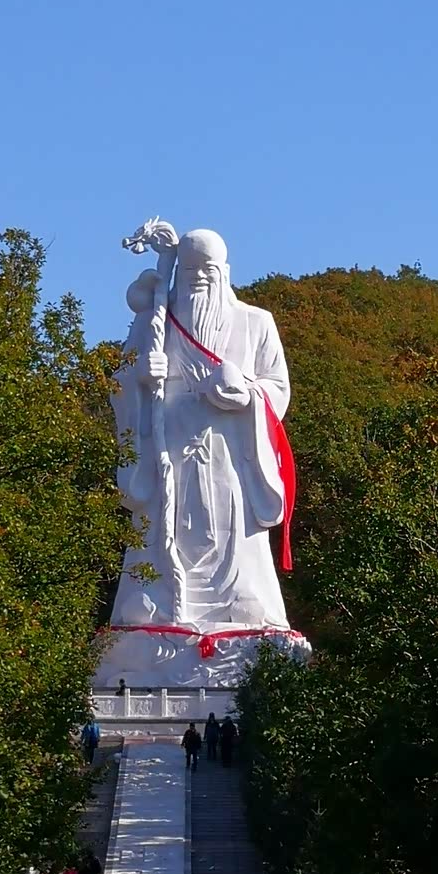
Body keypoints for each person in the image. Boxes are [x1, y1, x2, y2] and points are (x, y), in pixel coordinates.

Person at [111, 228, 293, 629]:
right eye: (191, 268)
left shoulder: (256, 322)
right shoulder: (153, 321)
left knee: (230, 520)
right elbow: (118, 383)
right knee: (164, 522)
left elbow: (277, 387)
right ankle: (154, 600)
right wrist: (140, 375)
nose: (200, 276)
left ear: (225, 270)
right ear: (179, 269)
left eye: (208, 268)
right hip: (168, 451)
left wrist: (246, 396)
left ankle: (242, 599)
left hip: (229, 452)